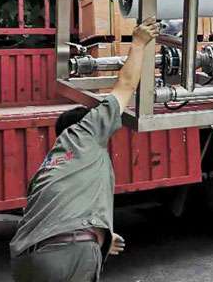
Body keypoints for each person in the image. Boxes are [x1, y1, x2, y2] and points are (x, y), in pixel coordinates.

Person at [10, 17, 160, 281]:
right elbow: (125, 86)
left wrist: (98, 236)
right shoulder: (87, 131)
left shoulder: (50, 164)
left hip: (25, 262)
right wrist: (138, 43)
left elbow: (51, 214)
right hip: (68, 251)